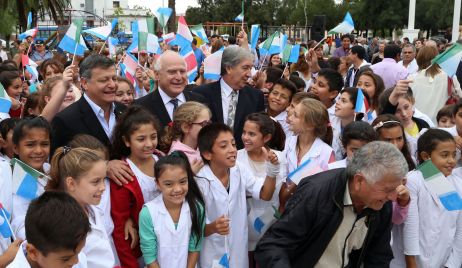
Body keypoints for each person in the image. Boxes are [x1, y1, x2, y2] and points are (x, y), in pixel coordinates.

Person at [255, 141, 408, 267]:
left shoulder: (380, 203)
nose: (394, 197)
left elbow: (378, 257)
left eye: (395, 188)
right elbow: (273, 246)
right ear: (359, 180)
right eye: (387, 189)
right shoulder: (315, 194)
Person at [195, 123, 279, 268]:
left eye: (233, 144)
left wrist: (271, 170)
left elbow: (265, 194)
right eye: (223, 146)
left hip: (237, 251)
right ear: (208, 154)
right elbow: (193, 228)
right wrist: (213, 227)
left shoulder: (239, 169)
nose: (232, 150)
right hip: (211, 253)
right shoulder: (199, 180)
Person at [401, 129, 462, 268]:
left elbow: (459, 230)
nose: (452, 161)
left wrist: (451, 265)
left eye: (454, 155)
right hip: (410, 262)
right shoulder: (413, 180)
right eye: (444, 155)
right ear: (425, 156)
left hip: (442, 262)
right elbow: (410, 228)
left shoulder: (457, 184)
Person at [110, 105, 162, 267]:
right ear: (126, 141)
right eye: (141, 139)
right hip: (143, 252)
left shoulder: (163, 160)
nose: (149, 144)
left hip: (170, 243)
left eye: (153, 137)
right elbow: (119, 228)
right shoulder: (123, 174)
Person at [47, 147, 115, 267]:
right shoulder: (62, 223)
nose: (103, 187)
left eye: (103, 180)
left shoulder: (92, 209)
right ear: (71, 183)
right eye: (96, 182)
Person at [139, 151, 206, 268]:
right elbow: (149, 255)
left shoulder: (196, 209)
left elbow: (195, 247)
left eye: (182, 182)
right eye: (169, 184)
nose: (177, 189)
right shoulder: (148, 213)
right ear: (158, 184)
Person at [51, 54, 125, 151]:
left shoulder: (125, 111)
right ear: (85, 83)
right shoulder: (65, 120)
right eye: (104, 80)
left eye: (114, 79)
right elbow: (61, 162)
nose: (112, 85)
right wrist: (104, 165)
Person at [195, 46, 265, 149]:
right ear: (228, 68)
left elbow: (260, 131)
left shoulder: (256, 96)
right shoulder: (201, 94)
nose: (249, 74)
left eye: (251, 68)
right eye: (245, 68)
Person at [238, 113, 286, 259]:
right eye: (244, 132)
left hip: (271, 223)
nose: (245, 137)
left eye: (252, 134)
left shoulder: (279, 158)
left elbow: (278, 191)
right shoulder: (237, 158)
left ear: (266, 137)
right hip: (244, 225)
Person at [6, 191, 90, 268]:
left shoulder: (74, 257)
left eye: (78, 252)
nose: (75, 261)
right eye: (66, 259)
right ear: (33, 252)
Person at [136, 51, 207, 129]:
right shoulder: (140, 107)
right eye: (172, 72)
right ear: (157, 75)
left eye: (182, 71)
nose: (179, 77)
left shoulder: (200, 101)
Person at [10, 117, 51, 240]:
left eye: (44, 144)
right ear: (16, 148)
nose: (38, 150)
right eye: (30, 145)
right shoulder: (17, 181)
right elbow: (21, 227)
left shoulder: (52, 170)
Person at [411, 45, 462, 123]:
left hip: (418, 124)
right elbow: (460, 97)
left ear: (419, 59)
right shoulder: (449, 76)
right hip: (442, 123)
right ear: (438, 58)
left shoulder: (412, 78)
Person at [161, 101, 211, 168]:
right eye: (204, 124)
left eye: (209, 123)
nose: (208, 128)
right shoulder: (177, 157)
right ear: (186, 127)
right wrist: (191, 174)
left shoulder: (203, 147)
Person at [331, 87, 370, 160]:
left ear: (357, 109)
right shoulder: (328, 123)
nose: (337, 102)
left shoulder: (366, 132)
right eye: (339, 99)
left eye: (343, 101)